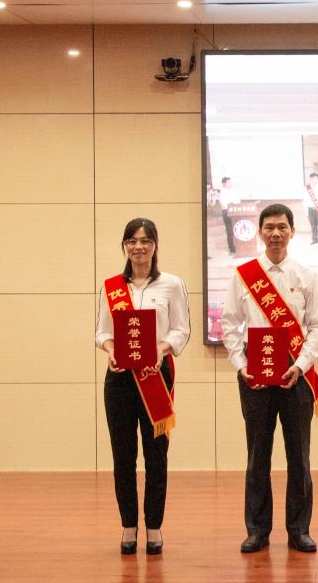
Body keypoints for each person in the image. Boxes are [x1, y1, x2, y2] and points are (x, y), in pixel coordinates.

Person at [220, 203, 318, 554]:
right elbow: (228, 325)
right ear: (260, 232)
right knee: (258, 455)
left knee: (299, 456)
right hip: (254, 374)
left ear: (292, 231)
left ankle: (299, 530)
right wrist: (240, 365)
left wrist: (301, 364)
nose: (276, 233)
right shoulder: (244, 275)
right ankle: (257, 530)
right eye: (269, 227)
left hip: (296, 373)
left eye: (282, 227)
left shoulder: (306, 275)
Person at [96, 218, 191, 555]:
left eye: (145, 240)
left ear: (155, 245)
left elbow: (181, 330)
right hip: (119, 378)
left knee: (156, 455)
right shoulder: (111, 287)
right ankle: (128, 525)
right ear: (124, 246)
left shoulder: (171, 285)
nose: (138, 247)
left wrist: (160, 350)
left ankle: (153, 526)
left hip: (155, 376)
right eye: (132, 241)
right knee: (123, 456)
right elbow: (102, 332)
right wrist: (111, 351)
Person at [303, 172, 318, 245]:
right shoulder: (306, 188)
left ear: (317, 179)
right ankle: (314, 239)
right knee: (313, 225)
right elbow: (305, 201)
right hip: (310, 209)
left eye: (315, 178)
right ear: (310, 179)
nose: (314, 180)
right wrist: (307, 212)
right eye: (312, 179)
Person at [219, 176, 240, 257]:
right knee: (230, 231)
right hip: (227, 212)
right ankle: (232, 248)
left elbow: (237, 200)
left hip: (236, 211)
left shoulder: (234, 191)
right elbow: (224, 203)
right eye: (228, 182)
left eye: (230, 182)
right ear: (224, 184)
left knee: (237, 229)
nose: (230, 184)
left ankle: (239, 246)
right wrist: (231, 203)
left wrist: (236, 204)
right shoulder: (222, 192)